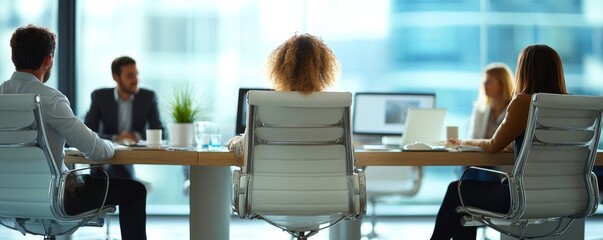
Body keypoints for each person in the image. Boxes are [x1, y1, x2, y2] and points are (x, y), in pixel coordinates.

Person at [1, 25, 147, 240]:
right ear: (48, 60)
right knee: (135, 191)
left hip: (5, 196)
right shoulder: (49, 99)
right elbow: (97, 151)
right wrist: (112, 144)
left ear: (13, 56)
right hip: (56, 197)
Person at [430, 44, 568, 240]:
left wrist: (463, 141)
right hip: (564, 196)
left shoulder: (523, 102)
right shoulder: (571, 106)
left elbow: (493, 145)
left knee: (457, 189)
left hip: (522, 197)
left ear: (525, 70)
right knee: (464, 194)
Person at [227, 33, 340, 157]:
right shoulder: (334, 106)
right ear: (324, 69)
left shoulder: (264, 104)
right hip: (322, 176)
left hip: (274, 176)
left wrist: (234, 141)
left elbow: (241, 149)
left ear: (280, 68)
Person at [85, 56, 164, 179]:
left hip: (128, 160)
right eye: (130, 76)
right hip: (105, 157)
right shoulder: (100, 97)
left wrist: (135, 136)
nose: (136, 80)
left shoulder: (148, 97)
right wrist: (116, 137)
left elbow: (161, 133)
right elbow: (88, 133)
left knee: (116, 177)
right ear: (116, 77)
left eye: (136, 74)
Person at [461, 62, 514, 182]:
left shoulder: (513, 110)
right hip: (480, 160)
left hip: (501, 163)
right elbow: (473, 138)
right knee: (466, 177)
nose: (484, 86)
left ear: (502, 84)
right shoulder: (480, 109)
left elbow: (510, 145)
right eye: (483, 82)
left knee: (482, 178)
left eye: (489, 82)